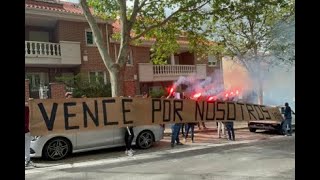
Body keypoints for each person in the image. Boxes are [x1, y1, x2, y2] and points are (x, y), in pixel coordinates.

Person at [25, 101, 34, 167]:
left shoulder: (27, 108)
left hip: (27, 131)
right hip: (26, 130)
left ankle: (27, 160)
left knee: (27, 146)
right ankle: (27, 160)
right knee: (27, 146)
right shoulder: (27, 108)